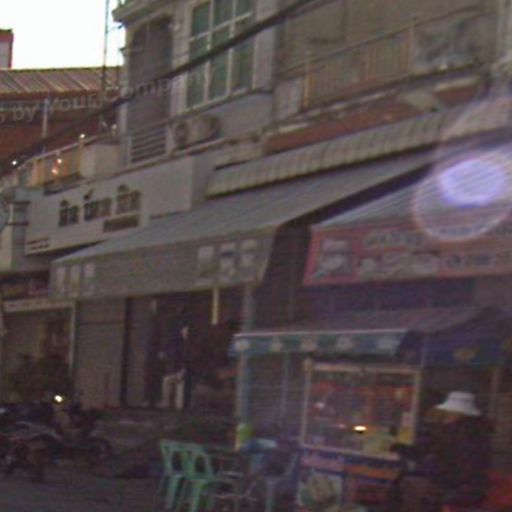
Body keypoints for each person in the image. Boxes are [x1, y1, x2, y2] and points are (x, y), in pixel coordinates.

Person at [399, 391, 492, 512]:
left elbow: (450, 462)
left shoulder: (454, 432)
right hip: (470, 487)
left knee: (410, 485)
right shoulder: (478, 431)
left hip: (456, 487)